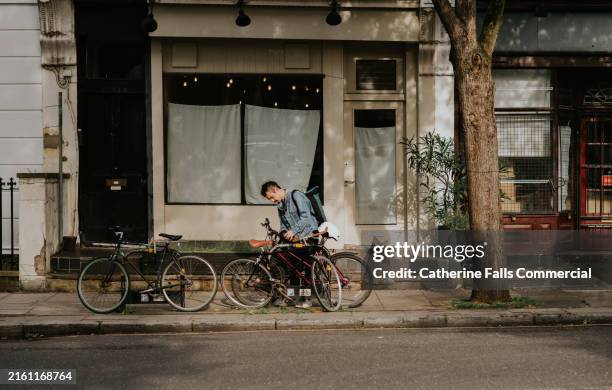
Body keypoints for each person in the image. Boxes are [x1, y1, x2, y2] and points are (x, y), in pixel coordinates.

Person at [260, 181, 319, 308]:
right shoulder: (280, 206)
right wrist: (282, 234)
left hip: (308, 236)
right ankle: (291, 296)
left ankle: (307, 299)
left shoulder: (296, 195)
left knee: (306, 267)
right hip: (295, 239)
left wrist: (293, 231)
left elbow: (306, 217)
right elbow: (283, 225)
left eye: (271, 197)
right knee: (287, 264)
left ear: (275, 189)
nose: (271, 200)